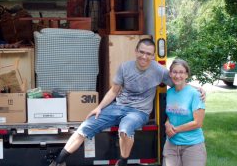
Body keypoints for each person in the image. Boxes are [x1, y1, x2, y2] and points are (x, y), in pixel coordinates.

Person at [50, 38, 178, 166]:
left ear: (153, 55)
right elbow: (114, 91)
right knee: (84, 127)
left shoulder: (159, 71)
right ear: (136, 51)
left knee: (125, 129)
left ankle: (122, 162)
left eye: (148, 54)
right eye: (141, 52)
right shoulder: (125, 67)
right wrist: (99, 107)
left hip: (139, 112)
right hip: (118, 107)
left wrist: (195, 90)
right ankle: (58, 161)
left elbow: (178, 84)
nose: (144, 56)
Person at [163, 59, 206, 166]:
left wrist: (174, 130)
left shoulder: (195, 94)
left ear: (187, 74)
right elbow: (171, 115)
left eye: (181, 72)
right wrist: (167, 123)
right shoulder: (169, 93)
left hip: (192, 145)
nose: (178, 76)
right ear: (170, 73)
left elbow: (198, 123)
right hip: (171, 144)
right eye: (175, 72)